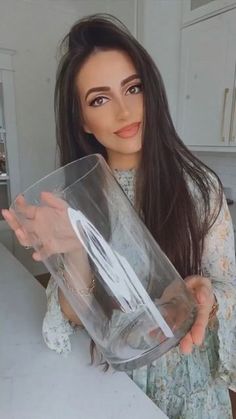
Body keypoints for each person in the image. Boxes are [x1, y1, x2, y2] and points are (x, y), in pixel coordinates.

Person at [2, 14, 236, 419]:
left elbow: (227, 285)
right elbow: (68, 325)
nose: (125, 111)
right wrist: (75, 250)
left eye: (133, 88)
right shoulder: (72, 203)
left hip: (189, 383)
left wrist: (209, 299)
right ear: (82, 120)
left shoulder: (201, 187)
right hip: (116, 384)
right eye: (99, 98)